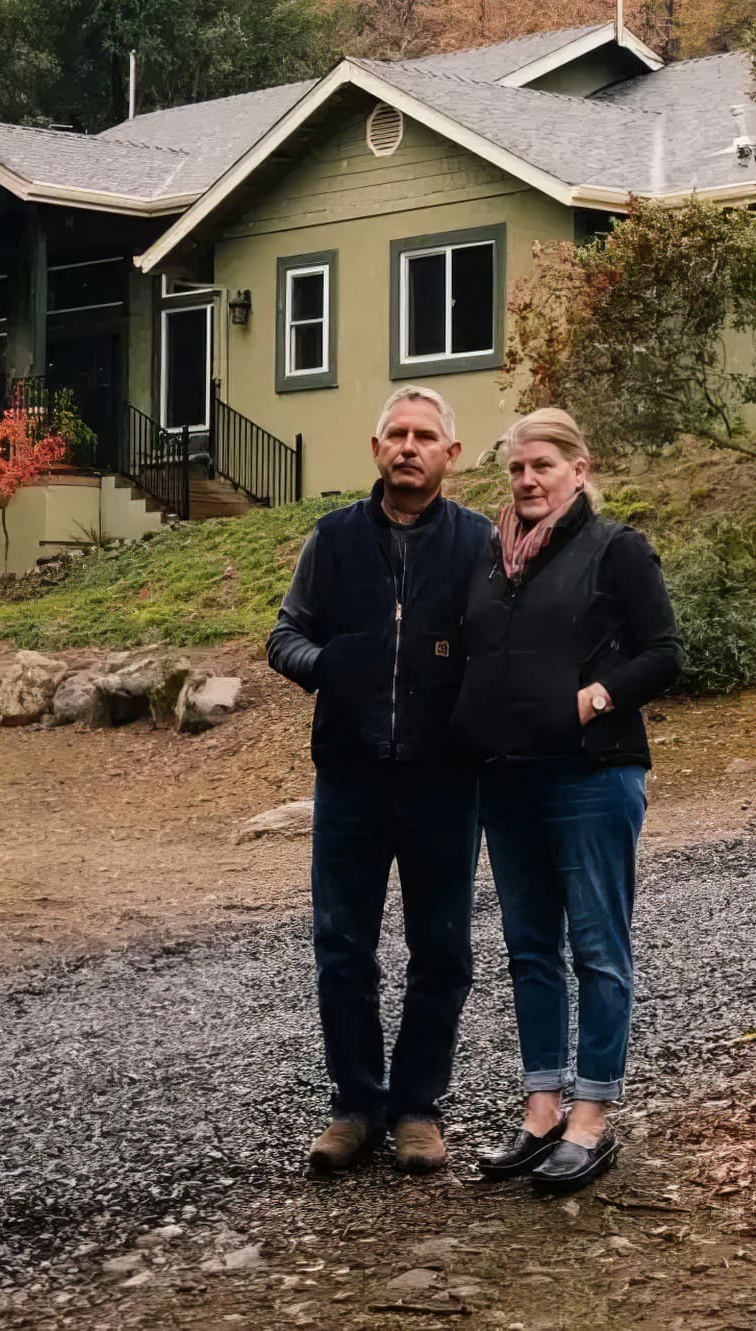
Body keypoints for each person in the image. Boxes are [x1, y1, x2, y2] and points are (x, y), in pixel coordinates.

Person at [452, 407, 681, 1193]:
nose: (527, 480)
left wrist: (592, 699)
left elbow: (663, 653)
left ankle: (592, 1115)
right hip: (507, 779)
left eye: (542, 465)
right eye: (517, 468)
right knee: (528, 950)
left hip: (592, 773)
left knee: (596, 948)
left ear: (578, 470)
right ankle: (541, 1108)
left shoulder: (615, 548)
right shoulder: (491, 558)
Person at [267, 386, 495, 1175]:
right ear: (375, 450)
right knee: (342, 948)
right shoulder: (331, 540)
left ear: (450, 455)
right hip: (351, 777)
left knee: (442, 949)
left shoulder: (481, 543)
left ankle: (420, 1109)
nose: (408, 446)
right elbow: (285, 632)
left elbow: (506, 645)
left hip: (446, 780)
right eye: (395, 433)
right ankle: (356, 1105)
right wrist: (325, 664)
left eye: (424, 435)